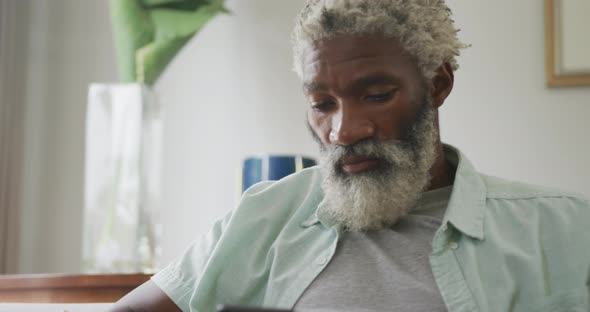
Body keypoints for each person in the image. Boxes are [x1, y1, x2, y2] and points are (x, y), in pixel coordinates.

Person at [111, 1, 590, 311]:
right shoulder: (262, 218)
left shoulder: (564, 229)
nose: (344, 130)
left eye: (377, 95)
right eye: (322, 104)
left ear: (437, 84)